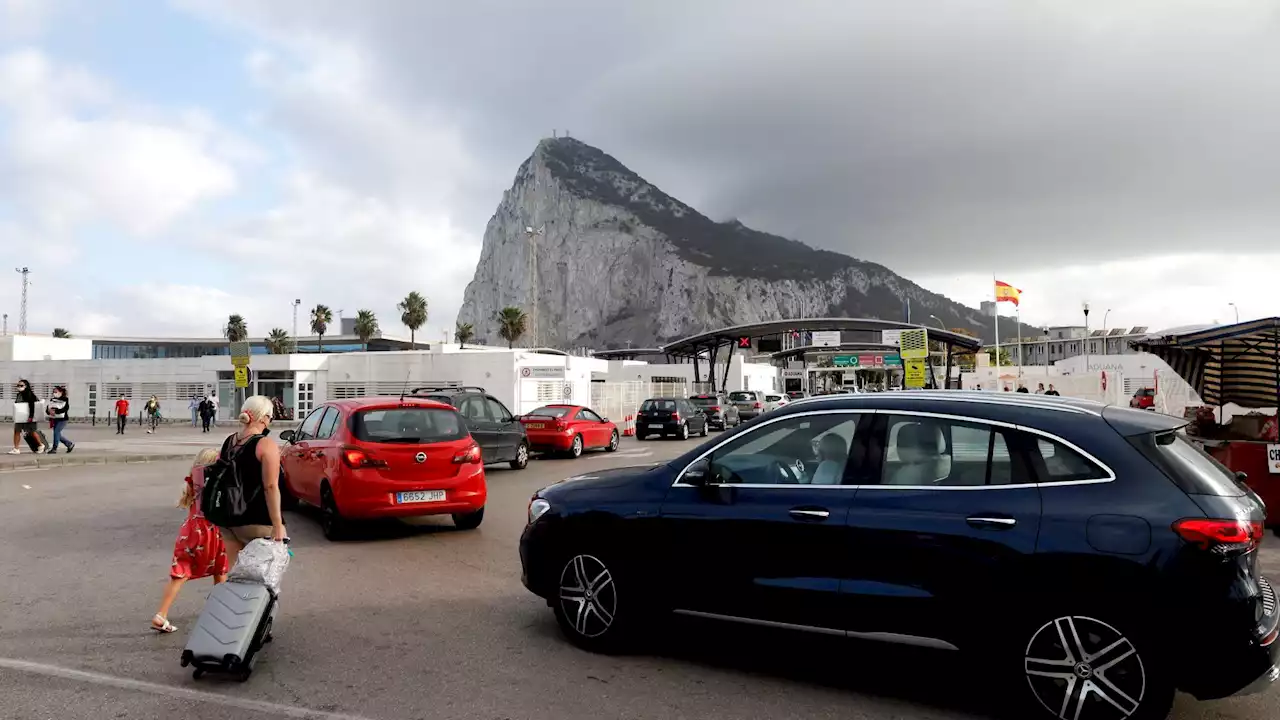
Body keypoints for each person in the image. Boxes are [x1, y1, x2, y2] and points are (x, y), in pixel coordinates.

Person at [150, 448, 229, 633]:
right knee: (220, 569)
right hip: (212, 530)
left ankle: (161, 614)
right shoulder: (217, 484)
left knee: (180, 572)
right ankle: (221, 611)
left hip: (190, 530)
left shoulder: (193, 481)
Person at [211, 395, 287, 569]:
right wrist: (277, 524)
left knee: (233, 575)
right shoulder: (266, 445)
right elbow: (270, 486)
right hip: (257, 521)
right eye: (270, 417)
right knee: (265, 578)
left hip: (228, 519)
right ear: (264, 418)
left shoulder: (230, 441)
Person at [10, 379, 45, 455]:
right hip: (20, 417)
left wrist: (31, 417)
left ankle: (41, 445)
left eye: (21, 385)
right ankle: (16, 448)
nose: (19, 387)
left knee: (32, 432)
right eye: (18, 385)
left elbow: (32, 406)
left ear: (26, 386)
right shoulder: (19, 395)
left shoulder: (29, 394)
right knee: (17, 431)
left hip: (29, 417)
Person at [45, 385, 74, 454]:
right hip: (55, 419)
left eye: (56, 392)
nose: (54, 393)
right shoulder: (52, 400)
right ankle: (69, 444)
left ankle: (54, 448)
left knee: (56, 432)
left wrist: (56, 411)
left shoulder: (65, 399)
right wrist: (49, 411)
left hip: (63, 419)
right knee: (58, 434)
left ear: (61, 392)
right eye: (53, 392)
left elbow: (65, 409)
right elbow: (48, 408)